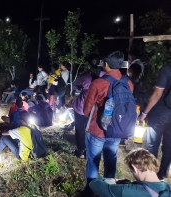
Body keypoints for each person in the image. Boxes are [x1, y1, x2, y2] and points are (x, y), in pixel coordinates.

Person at [82, 51, 134, 196]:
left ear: (106, 64)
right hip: (117, 129)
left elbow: (86, 110)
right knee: (111, 162)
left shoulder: (98, 83)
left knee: (93, 161)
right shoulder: (128, 83)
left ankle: (90, 191)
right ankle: (109, 191)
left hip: (97, 130)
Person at [90, 148, 170, 197]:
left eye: (132, 172)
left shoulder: (128, 191)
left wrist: (115, 180)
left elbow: (94, 184)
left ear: (135, 168)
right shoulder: (168, 187)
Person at [138, 64, 171, 181]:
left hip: (160, 114)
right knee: (169, 148)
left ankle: (150, 175)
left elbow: (157, 94)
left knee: (153, 145)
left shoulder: (167, 69)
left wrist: (144, 113)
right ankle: (161, 176)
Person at [71, 54, 105, 158]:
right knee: (94, 129)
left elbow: (75, 86)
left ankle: (81, 151)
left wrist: (77, 91)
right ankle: (93, 151)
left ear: (89, 65)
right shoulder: (105, 76)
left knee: (80, 130)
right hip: (98, 108)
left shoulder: (85, 77)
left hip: (81, 108)